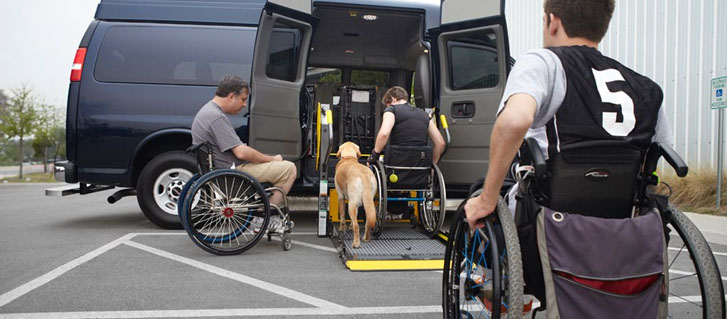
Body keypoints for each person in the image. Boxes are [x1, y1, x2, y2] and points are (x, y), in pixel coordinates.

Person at [465, 0, 673, 230]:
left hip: (548, 217)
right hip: (619, 220)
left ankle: (483, 265)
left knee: (481, 194)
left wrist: (487, 198)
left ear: (552, 22)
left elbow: (514, 121)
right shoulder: (646, 87)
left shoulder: (544, 63)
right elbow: (660, 149)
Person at [191, 75, 297, 231]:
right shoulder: (216, 117)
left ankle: (263, 212)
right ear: (231, 96)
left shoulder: (206, 112)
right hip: (231, 175)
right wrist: (272, 159)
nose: (244, 105)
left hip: (220, 171)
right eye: (242, 99)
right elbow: (241, 152)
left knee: (272, 163)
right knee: (289, 169)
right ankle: (263, 217)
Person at [368, 86, 445, 164]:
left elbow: (384, 133)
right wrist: (432, 165)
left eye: (388, 105)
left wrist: (374, 155)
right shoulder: (425, 115)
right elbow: (440, 143)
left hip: (397, 163)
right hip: (420, 165)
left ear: (393, 99)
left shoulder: (392, 110)